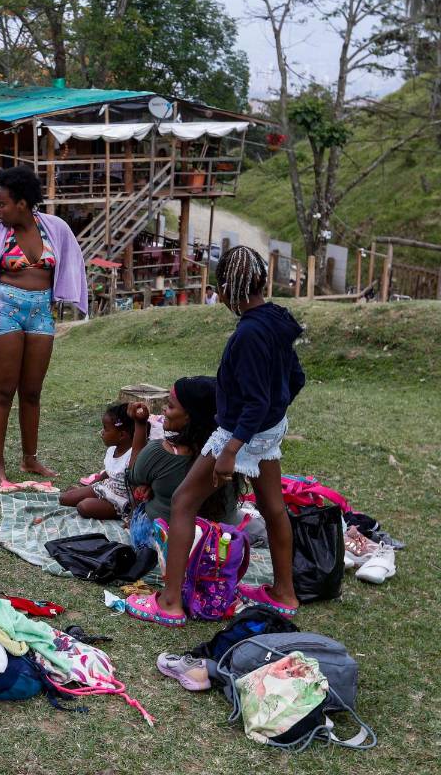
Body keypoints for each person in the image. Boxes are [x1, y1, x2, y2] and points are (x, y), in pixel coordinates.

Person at [145, 246, 305, 627]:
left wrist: (231, 449)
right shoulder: (279, 320)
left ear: (229, 288)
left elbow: (254, 399)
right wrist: (272, 417)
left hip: (240, 432)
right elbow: (294, 379)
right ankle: (284, 593)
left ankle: (169, 603)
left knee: (184, 501)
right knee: (273, 506)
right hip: (268, 430)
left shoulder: (247, 335)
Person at [0, 165, 88, 484]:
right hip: (3, 309)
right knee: (4, 390)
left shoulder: (55, 228)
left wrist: (66, 295)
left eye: (2, 204)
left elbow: (72, 260)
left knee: (32, 392)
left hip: (40, 313)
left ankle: (30, 459)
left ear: (21, 203)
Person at [125, 377, 242, 554]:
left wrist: (140, 425)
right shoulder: (233, 453)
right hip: (221, 546)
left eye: (170, 406)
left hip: (163, 543)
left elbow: (132, 475)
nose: (164, 409)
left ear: (190, 417)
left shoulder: (161, 453)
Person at [58, 404, 135, 520]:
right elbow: (108, 473)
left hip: (121, 500)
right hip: (106, 488)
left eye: (106, 428)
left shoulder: (132, 455)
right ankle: (93, 499)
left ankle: (110, 509)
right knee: (64, 498)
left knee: (84, 507)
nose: (102, 432)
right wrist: (90, 486)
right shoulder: (112, 450)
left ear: (122, 435)